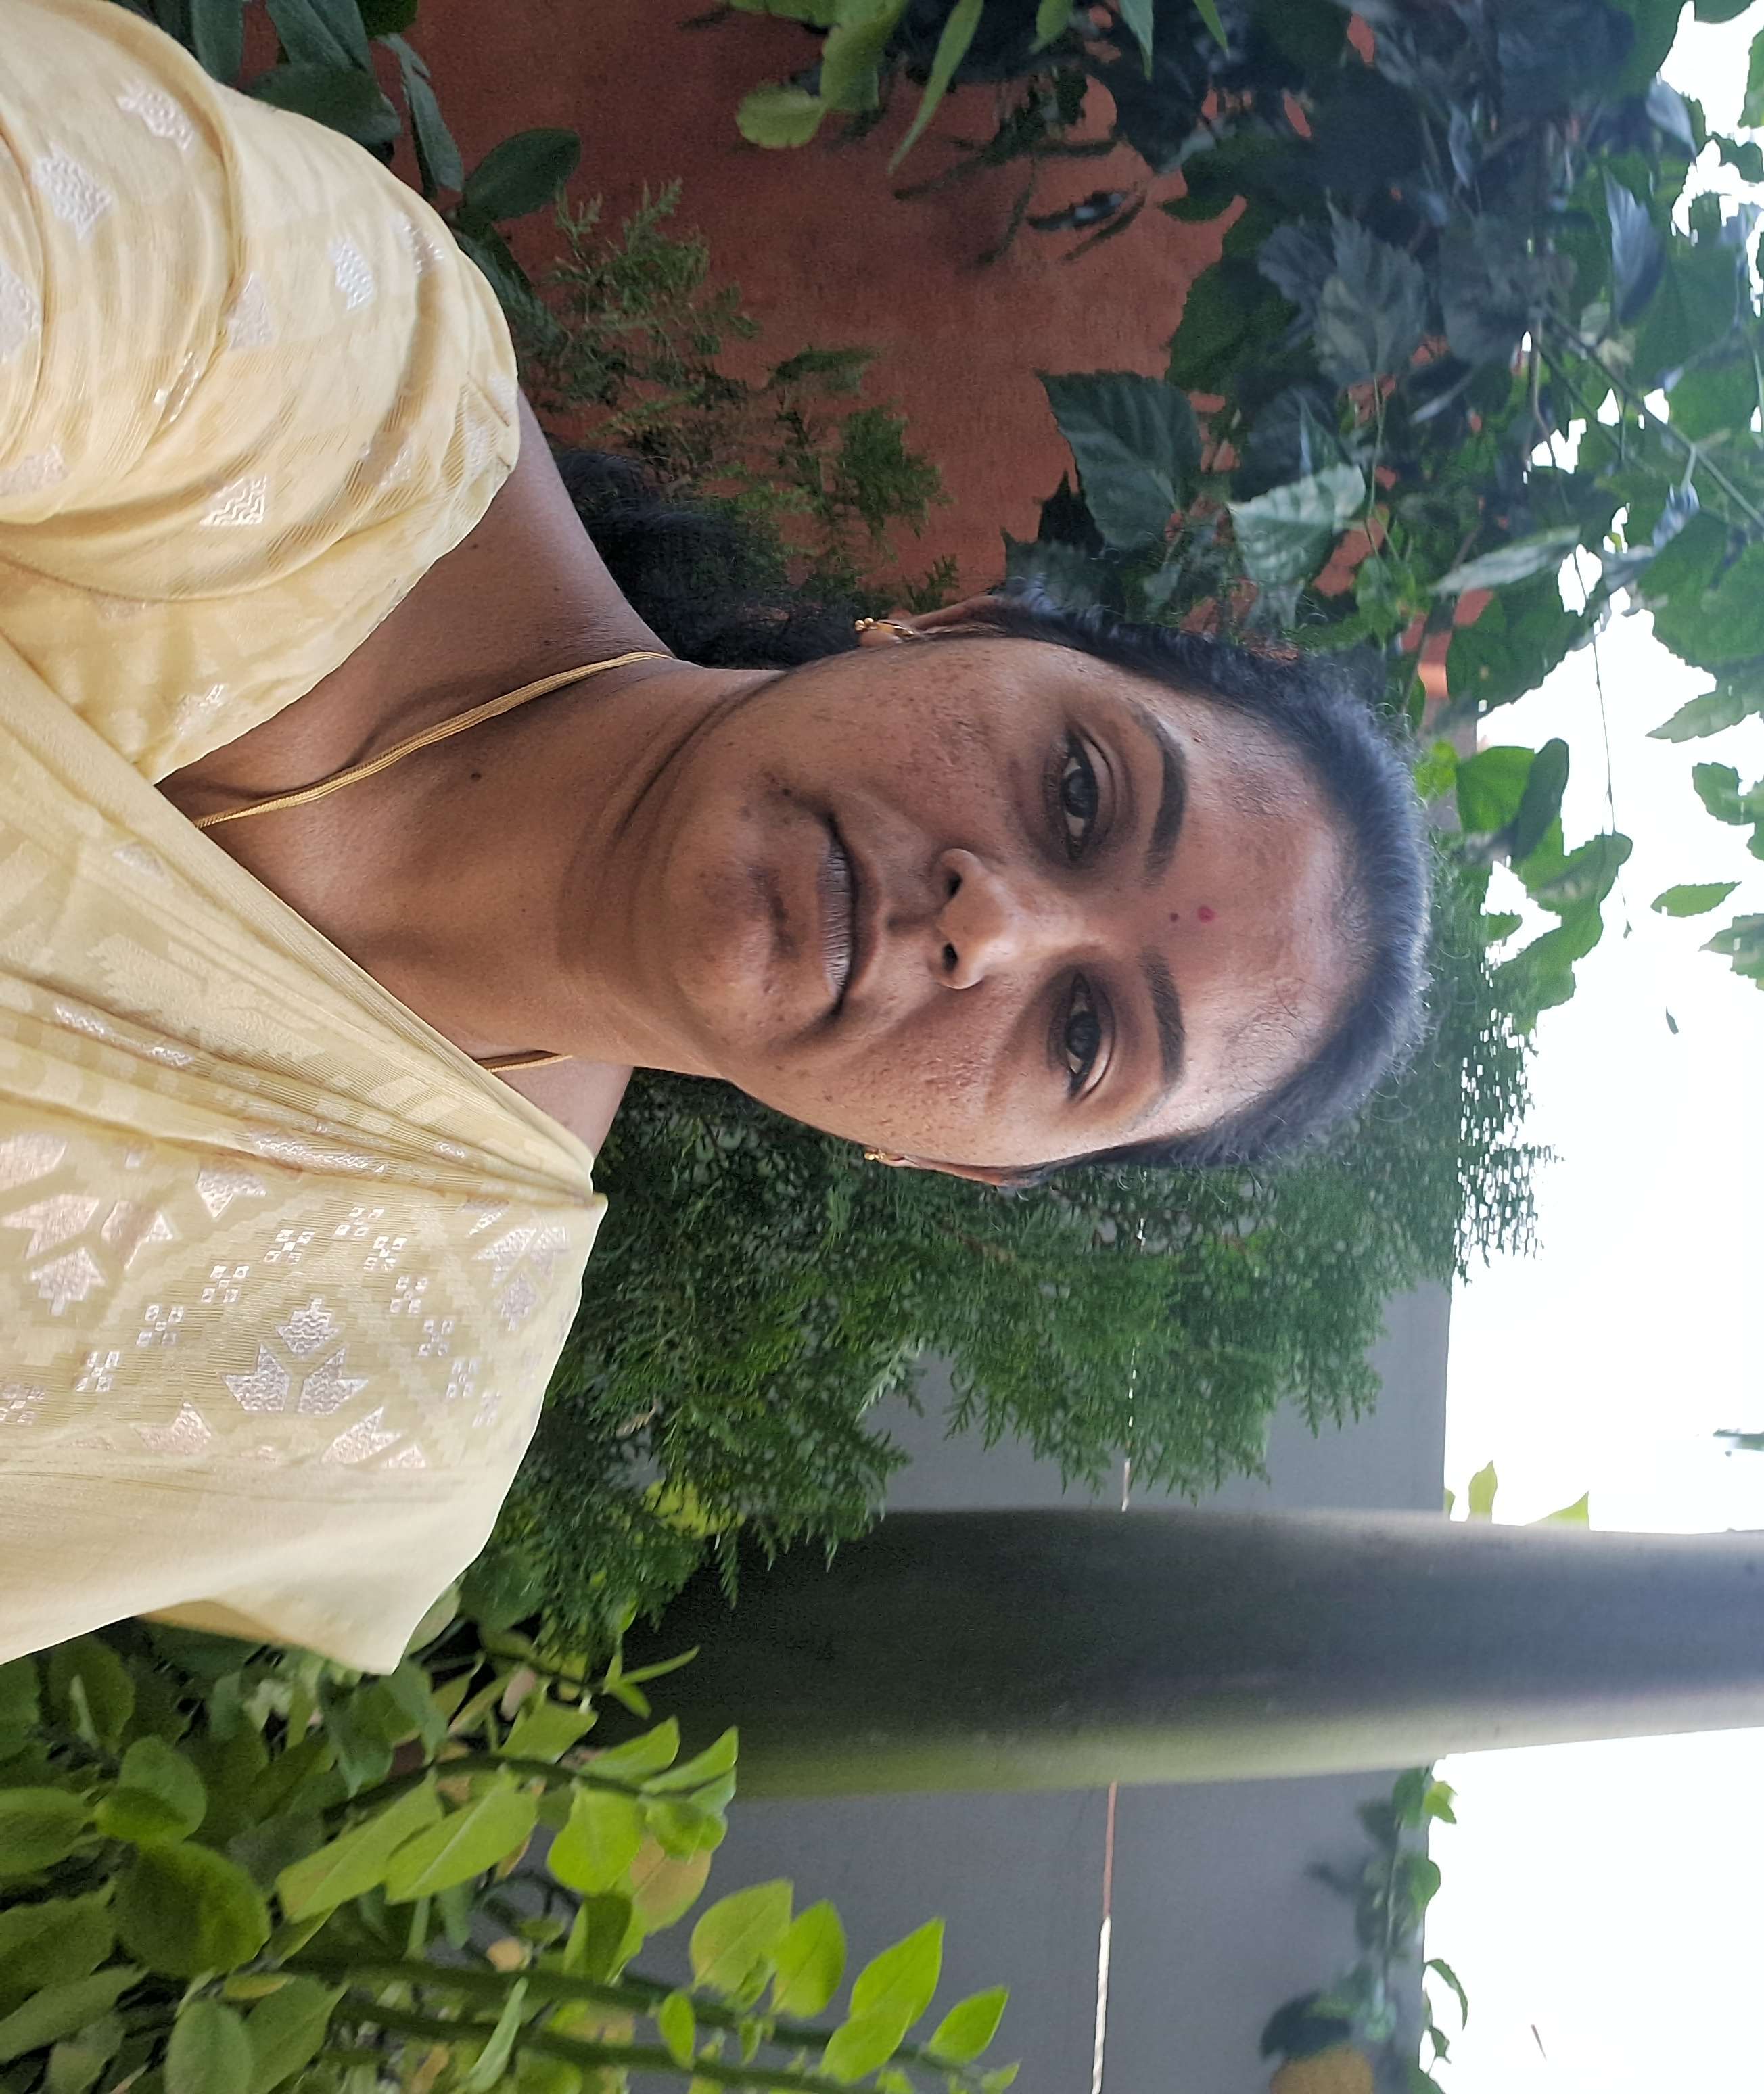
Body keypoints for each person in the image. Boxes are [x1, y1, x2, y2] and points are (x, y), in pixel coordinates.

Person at [0, 0, 1431, 1668]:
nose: (990, 926)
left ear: (963, 1165)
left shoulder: (400, 1394)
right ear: (957, 624)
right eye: (1080, 793)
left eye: (1084, 1035)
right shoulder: (317, 372)